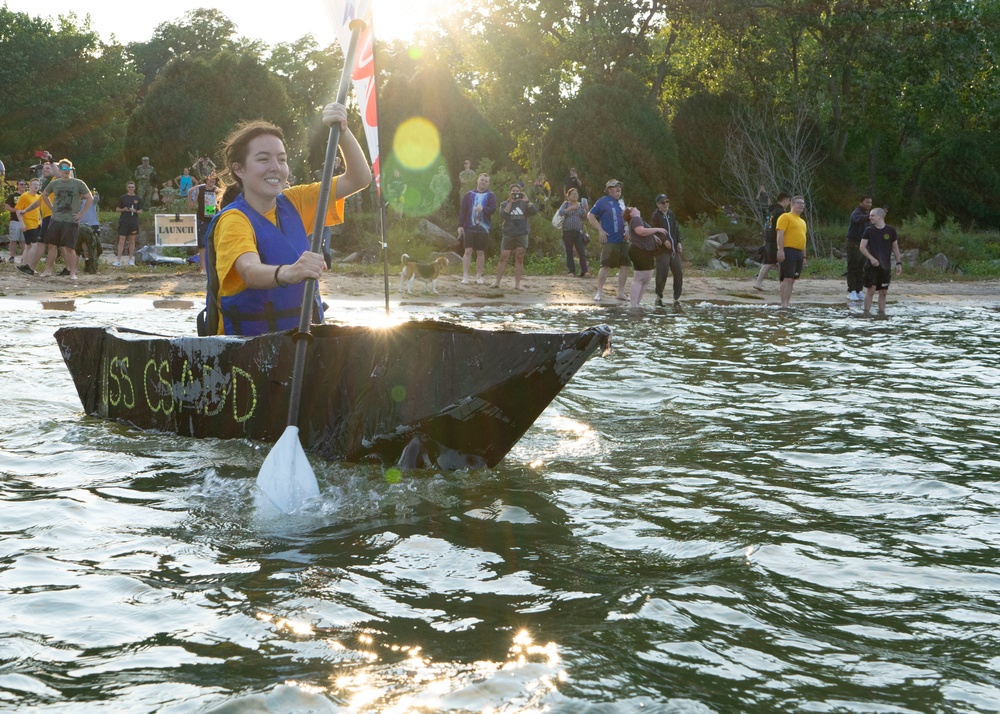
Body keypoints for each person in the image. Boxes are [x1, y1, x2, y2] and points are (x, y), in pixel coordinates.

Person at [203, 102, 371, 336]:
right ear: (239, 169)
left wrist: (342, 132)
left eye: (281, 159)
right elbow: (250, 271)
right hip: (246, 350)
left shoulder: (296, 200)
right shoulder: (233, 219)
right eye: (263, 159)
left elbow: (359, 178)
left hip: (301, 344)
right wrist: (290, 272)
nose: (276, 168)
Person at [19, 159, 93, 280]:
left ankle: (73, 273)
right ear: (60, 170)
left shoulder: (78, 183)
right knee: (52, 245)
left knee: (69, 248)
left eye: (68, 169)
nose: (66, 171)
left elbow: (89, 198)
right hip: (56, 219)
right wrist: (51, 207)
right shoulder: (54, 183)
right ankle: (48, 270)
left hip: (71, 220)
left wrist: (81, 213)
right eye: (63, 169)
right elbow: (43, 196)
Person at [588, 178, 629, 302]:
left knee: (624, 266)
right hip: (609, 239)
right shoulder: (603, 201)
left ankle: (621, 292)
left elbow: (627, 219)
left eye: (619, 187)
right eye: (615, 187)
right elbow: (590, 215)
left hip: (623, 239)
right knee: (605, 265)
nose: (618, 189)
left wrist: (628, 231)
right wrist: (600, 230)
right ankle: (599, 292)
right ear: (609, 190)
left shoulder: (621, 203)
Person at [858, 207, 902, 316]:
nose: (870, 217)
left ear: (880, 216)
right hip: (872, 266)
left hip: (885, 266)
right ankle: (866, 313)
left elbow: (895, 248)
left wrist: (898, 263)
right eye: (870, 215)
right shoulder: (869, 230)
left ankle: (882, 314)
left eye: (872, 215)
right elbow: (862, 247)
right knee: (871, 290)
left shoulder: (891, 230)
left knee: (883, 292)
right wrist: (871, 258)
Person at [493, 183, 538, 291]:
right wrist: (510, 202)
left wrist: (527, 201)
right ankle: (497, 282)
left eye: (517, 191)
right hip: (508, 233)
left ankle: (517, 284)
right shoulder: (504, 203)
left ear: (520, 192)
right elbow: (503, 215)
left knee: (519, 258)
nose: (515, 192)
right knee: (503, 257)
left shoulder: (524, 203)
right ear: (510, 192)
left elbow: (534, 212)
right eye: (513, 191)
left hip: (522, 233)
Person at [624, 206, 668, 308]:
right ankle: (633, 304)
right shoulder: (636, 219)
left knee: (646, 278)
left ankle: (636, 304)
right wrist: (658, 229)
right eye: (632, 208)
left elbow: (641, 232)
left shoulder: (638, 220)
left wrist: (653, 236)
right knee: (639, 278)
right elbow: (640, 231)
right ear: (631, 213)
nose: (635, 207)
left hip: (645, 251)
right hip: (639, 250)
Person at [458, 172, 497, 285]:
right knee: (468, 251)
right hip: (469, 227)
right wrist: (460, 225)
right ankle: (465, 276)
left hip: (483, 228)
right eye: (482, 179)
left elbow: (493, 210)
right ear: (477, 180)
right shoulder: (469, 194)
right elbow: (463, 211)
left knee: (480, 252)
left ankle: (478, 276)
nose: (483, 182)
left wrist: (483, 208)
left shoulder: (491, 195)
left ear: (488, 183)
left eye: (486, 181)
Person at [753, 192, 791, 291]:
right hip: (775, 240)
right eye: (788, 201)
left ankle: (758, 282)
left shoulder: (771, 211)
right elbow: (781, 228)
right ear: (785, 200)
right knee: (780, 262)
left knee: (768, 262)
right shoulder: (781, 212)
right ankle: (782, 285)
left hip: (768, 239)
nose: (789, 203)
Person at [650, 194, 683, 304]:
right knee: (662, 272)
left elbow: (676, 229)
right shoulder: (656, 216)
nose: (666, 204)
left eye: (667, 201)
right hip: (662, 250)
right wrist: (664, 240)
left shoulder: (671, 214)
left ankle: (676, 297)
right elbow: (654, 231)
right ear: (658, 204)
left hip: (674, 249)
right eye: (663, 203)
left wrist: (679, 242)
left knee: (678, 272)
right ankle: (659, 295)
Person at [775, 195, 808, 308]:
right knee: (787, 278)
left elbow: (803, 240)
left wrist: (804, 257)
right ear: (792, 204)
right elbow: (780, 234)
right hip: (788, 250)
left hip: (798, 253)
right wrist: (780, 250)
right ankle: (783, 304)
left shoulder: (802, 222)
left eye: (803, 203)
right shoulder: (785, 217)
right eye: (799, 203)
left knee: (792, 279)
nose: (801, 205)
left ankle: (787, 303)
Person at [189, 174, 220, 275]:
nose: (212, 180)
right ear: (206, 180)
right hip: (202, 219)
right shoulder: (200, 189)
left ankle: (214, 267)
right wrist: (191, 195)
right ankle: (203, 268)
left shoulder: (217, 190)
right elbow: (191, 205)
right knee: (202, 244)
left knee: (215, 244)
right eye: (210, 178)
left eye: (214, 179)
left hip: (214, 219)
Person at [846, 195, 873, 301]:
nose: (869, 204)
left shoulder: (868, 215)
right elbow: (857, 219)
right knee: (853, 267)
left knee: (862, 267)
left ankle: (858, 289)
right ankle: (851, 290)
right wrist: (870, 217)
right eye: (867, 202)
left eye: (870, 202)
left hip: (864, 244)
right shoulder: (856, 212)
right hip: (854, 242)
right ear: (861, 202)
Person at [557, 187, 590, 277]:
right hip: (567, 231)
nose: (575, 195)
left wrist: (586, 209)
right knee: (569, 251)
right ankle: (571, 271)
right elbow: (560, 212)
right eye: (573, 194)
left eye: (576, 194)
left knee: (581, 251)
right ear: (569, 196)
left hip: (578, 231)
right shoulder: (566, 204)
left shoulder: (581, 205)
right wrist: (571, 208)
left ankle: (584, 271)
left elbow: (584, 217)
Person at [14, 179, 42, 275]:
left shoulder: (39, 197)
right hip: (28, 223)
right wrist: (21, 223)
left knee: (28, 245)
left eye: (37, 185)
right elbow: (18, 210)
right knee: (35, 245)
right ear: (29, 186)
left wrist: (40, 221)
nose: (36, 186)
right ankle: (29, 266)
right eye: (34, 184)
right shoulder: (24, 196)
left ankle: (24, 264)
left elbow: (38, 211)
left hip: (37, 223)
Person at [114, 182, 142, 266]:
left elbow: (141, 211)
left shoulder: (138, 198)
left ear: (135, 188)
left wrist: (135, 211)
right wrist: (124, 209)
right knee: (121, 240)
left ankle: (130, 260)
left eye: (132, 187)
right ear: (127, 188)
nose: (131, 188)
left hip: (133, 222)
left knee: (132, 241)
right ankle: (118, 260)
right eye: (129, 187)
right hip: (124, 221)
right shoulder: (123, 198)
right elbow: (117, 209)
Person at [5, 180, 26, 263]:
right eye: (21, 184)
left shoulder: (27, 195)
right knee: (13, 239)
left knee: (23, 241)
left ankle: (24, 257)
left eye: (24, 184)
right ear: (17, 185)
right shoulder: (12, 196)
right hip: (15, 220)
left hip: (25, 220)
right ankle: (12, 256)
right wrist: (17, 210)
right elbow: (7, 207)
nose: (23, 186)